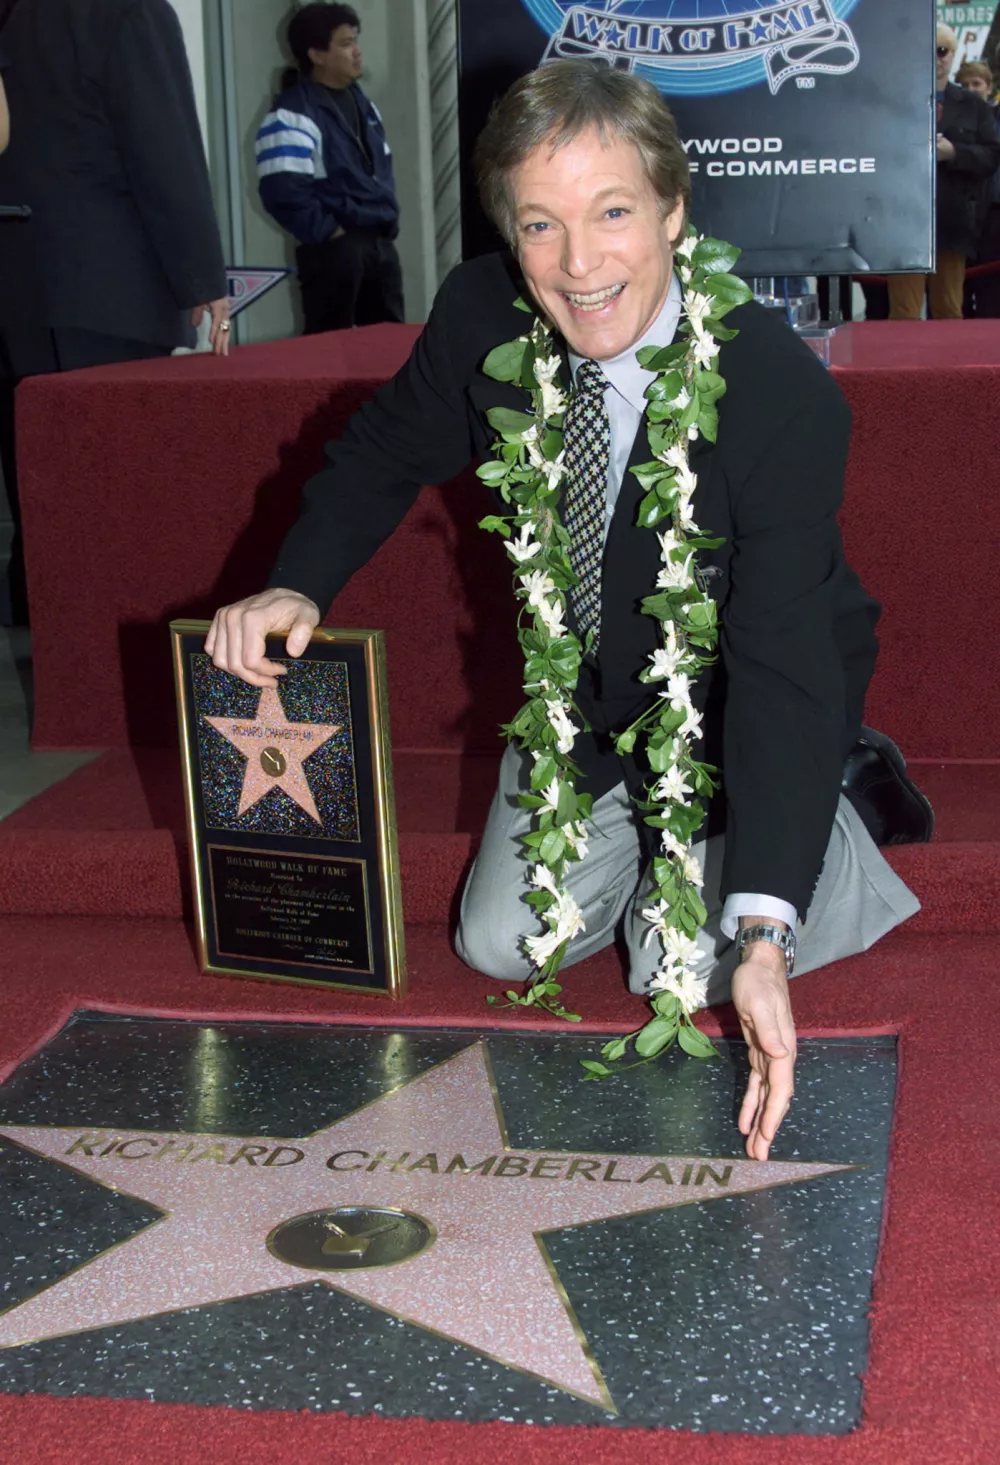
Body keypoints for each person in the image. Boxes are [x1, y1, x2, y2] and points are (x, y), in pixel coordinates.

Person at [208, 63, 932, 1161]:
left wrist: (764, 937)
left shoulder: (777, 397)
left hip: (745, 712)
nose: (579, 265)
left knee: (676, 967)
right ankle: (662, 860)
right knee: (501, 945)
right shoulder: (483, 312)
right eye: (540, 225)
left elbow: (781, 668)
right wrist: (296, 580)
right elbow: (383, 450)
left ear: (674, 213)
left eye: (612, 214)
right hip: (588, 712)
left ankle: (837, 822)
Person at [0, 0, 230, 623]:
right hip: (105, 289)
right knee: (113, 506)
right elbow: (163, 145)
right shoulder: (123, 11)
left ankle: (48, 637)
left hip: (16, 286)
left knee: (36, 497)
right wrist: (202, 278)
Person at [256, 2, 404, 335]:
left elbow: (382, 171)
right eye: (345, 43)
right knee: (329, 354)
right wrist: (329, 234)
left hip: (378, 246)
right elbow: (282, 189)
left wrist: (386, 225)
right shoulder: (292, 112)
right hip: (334, 251)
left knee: (388, 354)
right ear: (317, 55)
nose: (357, 52)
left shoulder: (363, 104)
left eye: (355, 41)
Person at [888, 24, 1000, 320]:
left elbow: (992, 156)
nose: (936, 58)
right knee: (903, 313)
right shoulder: (892, 101)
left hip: (953, 218)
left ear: (953, 55)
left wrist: (955, 153)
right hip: (903, 219)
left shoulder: (975, 106)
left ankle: (948, 368)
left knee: (949, 310)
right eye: (930, 51)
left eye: (942, 51)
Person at [957, 60, 1000, 318]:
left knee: (990, 293)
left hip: (992, 213)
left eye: (977, 84)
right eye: (965, 85)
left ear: (989, 87)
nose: (971, 90)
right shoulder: (947, 117)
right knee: (958, 292)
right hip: (962, 213)